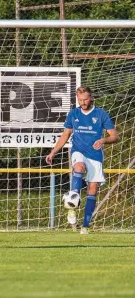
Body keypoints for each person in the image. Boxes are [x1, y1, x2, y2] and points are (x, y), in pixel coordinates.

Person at [46, 86, 119, 234]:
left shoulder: (101, 114)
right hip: (78, 151)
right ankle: (72, 206)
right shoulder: (73, 114)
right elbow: (65, 135)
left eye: (85, 99)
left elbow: (115, 136)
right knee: (78, 167)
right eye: (80, 100)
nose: (83, 102)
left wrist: (104, 140)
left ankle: (85, 226)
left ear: (91, 98)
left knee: (92, 190)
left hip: (95, 156)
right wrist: (53, 152)